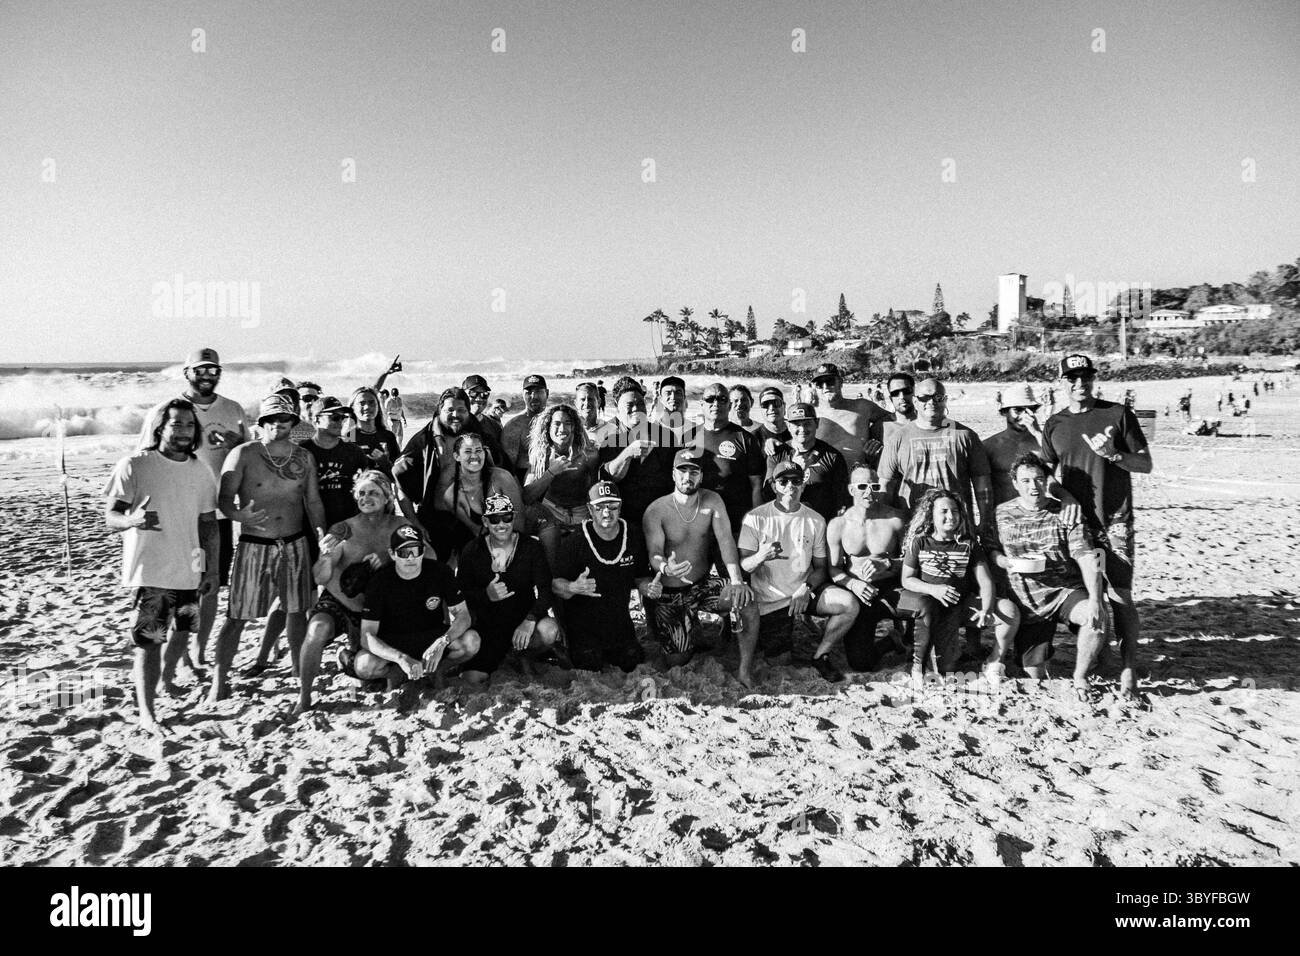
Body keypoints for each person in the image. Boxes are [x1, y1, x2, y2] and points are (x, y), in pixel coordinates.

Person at [1041, 354, 1152, 698]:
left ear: (1093, 379)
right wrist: (1065, 497)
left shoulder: (1118, 414)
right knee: (1090, 594)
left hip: (1116, 520)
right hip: (1077, 526)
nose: (1079, 384)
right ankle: (1096, 658)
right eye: (1072, 378)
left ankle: (1129, 667)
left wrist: (1115, 455)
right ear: (1062, 382)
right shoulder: (1054, 423)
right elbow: (1046, 477)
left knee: (1121, 595)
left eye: (1085, 377)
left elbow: (1145, 464)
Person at [108, 399, 219, 735]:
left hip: (189, 568)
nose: (183, 430)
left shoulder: (200, 469)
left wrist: (209, 570)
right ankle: (147, 713)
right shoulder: (136, 465)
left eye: (189, 425)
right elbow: (110, 517)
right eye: (176, 424)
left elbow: (207, 525)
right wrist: (132, 520)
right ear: (160, 427)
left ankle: (164, 684)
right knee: (150, 643)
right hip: (152, 571)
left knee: (183, 632)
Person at [208, 394, 325, 703]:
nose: (279, 425)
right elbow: (223, 498)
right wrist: (237, 515)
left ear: (293, 422)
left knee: (297, 610)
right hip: (254, 545)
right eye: (272, 420)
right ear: (262, 422)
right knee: (237, 616)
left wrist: (322, 533)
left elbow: (312, 501)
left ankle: (298, 671)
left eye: (285, 420)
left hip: (294, 543)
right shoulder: (244, 453)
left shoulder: (303, 458)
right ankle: (218, 681)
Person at [136, 347, 246, 670]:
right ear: (187, 373)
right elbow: (144, 459)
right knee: (178, 587)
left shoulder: (233, 409)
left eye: (213, 370)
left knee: (210, 586)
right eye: (200, 370)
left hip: (216, 517)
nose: (207, 376)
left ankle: (198, 651)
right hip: (177, 518)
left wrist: (233, 444)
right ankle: (176, 652)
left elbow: (247, 454)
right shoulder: (166, 410)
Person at [984, 453, 1106, 695]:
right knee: (1035, 674)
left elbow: (1088, 556)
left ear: (1047, 481)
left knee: (1097, 619)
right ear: (1015, 484)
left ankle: (1080, 677)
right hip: (1025, 600)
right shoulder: (1001, 513)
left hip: (1064, 591)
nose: (1034, 486)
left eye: (1039, 479)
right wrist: (1003, 561)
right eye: (1026, 481)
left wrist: (1095, 599)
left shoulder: (1066, 513)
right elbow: (990, 549)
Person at [295, 470, 409, 715]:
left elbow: (428, 555)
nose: (367, 498)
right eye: (362, 493)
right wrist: (325, 557)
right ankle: (304, 697)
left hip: (379, 609)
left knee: (370, 670)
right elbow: (320, 577)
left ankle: (346, 658)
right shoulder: (343, 529)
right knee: (317, 630)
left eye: (374, 493)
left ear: (388, 497)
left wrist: (391, 557)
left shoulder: (400, 526)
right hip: (340, 600)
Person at [737, 459, 858, 685]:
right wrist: (761, 556)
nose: (790, 486)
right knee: (779, 661)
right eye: (783, 481)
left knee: (848, 604)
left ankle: (820, 655)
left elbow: (821, 568)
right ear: (773, 485)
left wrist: (806, 588)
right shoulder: (756, 517)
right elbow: (744, 566)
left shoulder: (815, 520)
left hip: (802, 594)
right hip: (769, 600)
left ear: (803, 484)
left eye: (796, 481)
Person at [642, 450, 751, 667]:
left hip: (702, 586)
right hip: (671, 593)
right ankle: (689, 624)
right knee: (678, 659)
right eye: (682, 471)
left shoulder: (712, 500)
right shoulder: (657, 510)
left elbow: (726, 540)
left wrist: (737, 580)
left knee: (747, 599)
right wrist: (665, 567)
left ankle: (744, 663)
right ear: (673, 474)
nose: (687, 477)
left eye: (693, 471)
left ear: (701, 475)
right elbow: (654, 552)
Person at [898, 489, 1008, 688]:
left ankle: (994, 662)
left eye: (955, 511)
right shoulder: (920, 543)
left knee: (1009, 612)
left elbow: (985, 581)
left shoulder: (969, 545)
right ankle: (916, 661)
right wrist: (934, 589)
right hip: (929, 607)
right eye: (944, 511)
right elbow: (907, 580)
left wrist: (987, 608)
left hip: (958, 607)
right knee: (943, 665)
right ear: (931, 515)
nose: (950, 516)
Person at [354, 525, 480, 690]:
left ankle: (437, 670)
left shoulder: (440, 572)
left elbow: (463, 616)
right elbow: (367, 636)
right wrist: (399, 658)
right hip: (393, 641)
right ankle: (396, 672)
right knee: (363, 665)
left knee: (472, 641)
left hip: (432, 637)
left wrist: (442, 642)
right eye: (404, 553)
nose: (410, 558)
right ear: (392, 554)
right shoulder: (379, 582)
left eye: (416, 550)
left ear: (423, 551)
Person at [455, 492, 561, 684]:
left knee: (549, 630)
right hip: (488, 628)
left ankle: (524, 656)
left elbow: (546, 590)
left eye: (507, 517)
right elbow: (460, 596)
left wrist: (530, 619)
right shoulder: (472, 550)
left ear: (514, 518)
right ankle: (500, 657)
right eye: (495, 519)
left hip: (523, 623)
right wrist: (486, 595)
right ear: (485, 522)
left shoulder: (531, 547)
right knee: (471, 679)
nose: (501, 524)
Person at [553, 482, 652, 671]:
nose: (607, 513)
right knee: (590, 664)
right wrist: (573, 587)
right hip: (584, 629)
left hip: (620, 626)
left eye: (612, 506)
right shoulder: (576, 541)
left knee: (632, 661)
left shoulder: (632, 535)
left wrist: (648, 587)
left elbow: (641, 576)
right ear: (590, 509)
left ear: (620, 507)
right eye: (600, 507)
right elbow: (556, 585)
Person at [392, 387, 496, 561]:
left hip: (473, 518)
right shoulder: (423, 441)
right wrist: (415, 523)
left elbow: (501, 474)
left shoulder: (480, 438)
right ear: (440, 410)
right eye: (450, 410)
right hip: (435, 520)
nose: (455, 415)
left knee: (474, 573)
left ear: (468, 412)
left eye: (461, 410)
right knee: (437, 576)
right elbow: (399, 482)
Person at [827, 465, 909, 672]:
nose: (869, 492)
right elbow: (833, 569)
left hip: (891, 587)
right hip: (860, 594)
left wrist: (888, 563)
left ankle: (912, 639)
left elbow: (913, 561)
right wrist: (853, 584)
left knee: (923, 605)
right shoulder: (839, 524)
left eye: (874, 486)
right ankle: (892, 641)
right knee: (861, 663)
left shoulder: (896, 519)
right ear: (851, 490)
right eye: (862, 486)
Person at [684, 382, 764, 538]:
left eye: (722, 399)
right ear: (701, 404)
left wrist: (756, 527)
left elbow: (756, 486)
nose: (716, 403)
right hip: (696, 524)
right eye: (710, 399)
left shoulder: (745, 439)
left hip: (734, 526)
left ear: (729, 405)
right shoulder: (688, 437)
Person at [523, 404, 601, 565]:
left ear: (574, 427)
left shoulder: (588, 454)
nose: (562, 428)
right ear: (548, 427)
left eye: (567, 423)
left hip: (581, 511)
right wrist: (551, 472)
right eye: (557, 423)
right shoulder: (540, 455)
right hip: (551, 510)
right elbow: (527, 496)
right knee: (553, 561)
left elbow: (595, 491)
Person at [595, 376, 675, 520]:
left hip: (661, 516)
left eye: (640, 403)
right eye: (629, 405)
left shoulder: (666, 436)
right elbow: (606, 479)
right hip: (623, 519)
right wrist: (628, 453)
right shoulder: (607, 436)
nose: (636, 409)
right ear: (617, 406)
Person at [438, 432, 526, 558]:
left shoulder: (502, 477)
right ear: (457, 456)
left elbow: (519, 522)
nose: (474, 456)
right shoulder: (452, 496)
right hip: (487, 544)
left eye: (478, 450)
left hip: (516, 539)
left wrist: (511, 554)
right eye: (468, 451)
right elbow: (477, 531)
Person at [763, 402, 849, 523]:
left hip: (819, 528)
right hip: (785, 524)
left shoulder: (832, 456)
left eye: (807, 423)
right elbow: (767, 494)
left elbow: (842, 500)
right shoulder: (777, 455)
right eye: (796, 424)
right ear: (788, 425)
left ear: (817, 423)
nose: (802, 429)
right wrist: (795, 469)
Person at [301, 397, 371, 528]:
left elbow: (369, 485)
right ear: (316, 419)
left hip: (349, 526)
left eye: (342, 417)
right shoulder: (302, 452)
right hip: (310, 528)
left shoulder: (354, 452)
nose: (340, 422)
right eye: (334, 417)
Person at [810, 362, 891, 467]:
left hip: (857, 477)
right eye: (819, 384)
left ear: (840, 382)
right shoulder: (811, 413)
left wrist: (878, 441)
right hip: (825, 479)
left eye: (830, 381)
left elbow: (895, 421)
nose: (825, 387)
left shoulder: (862, 407)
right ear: (815, 388)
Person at [982, 384, 1047, 507]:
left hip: (1039, 514)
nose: (1024, 415)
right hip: (1003, 518)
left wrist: (1037, 433)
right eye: (1018, 410)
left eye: (1029, 410)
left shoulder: (1042, 441)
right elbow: (983, 488)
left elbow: (1057, 470)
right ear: (1005, 412)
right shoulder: (990, 446)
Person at [501, 374, 550, 482]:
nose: (534, 396)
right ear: (523, 395)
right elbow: (508, 468)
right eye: (528, 392)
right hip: (525, 481)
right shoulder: (514, 426)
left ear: (547, 393)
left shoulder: (557, 421)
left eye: (538, 391)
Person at [348, 386, 401, 477]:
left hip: (384, 489)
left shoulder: (388, 436)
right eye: (362, 403)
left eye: (372, 402)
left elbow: (400, 477)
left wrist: (385, 463)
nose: (367, 407)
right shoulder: (350, 436)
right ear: (353, 408)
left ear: (378, 406)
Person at [749, 386, 791, 457]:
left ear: (784, 406)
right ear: (760, 409)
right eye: (765, 404)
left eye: (776, 403)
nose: (771, 408)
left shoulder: (797, 432)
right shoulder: (753, 439)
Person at [463, 374, 503, 449]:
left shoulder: (494, 426)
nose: (479, 399)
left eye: (484, 394)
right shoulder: (456, 424)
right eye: (473, 393)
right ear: (463, 395)